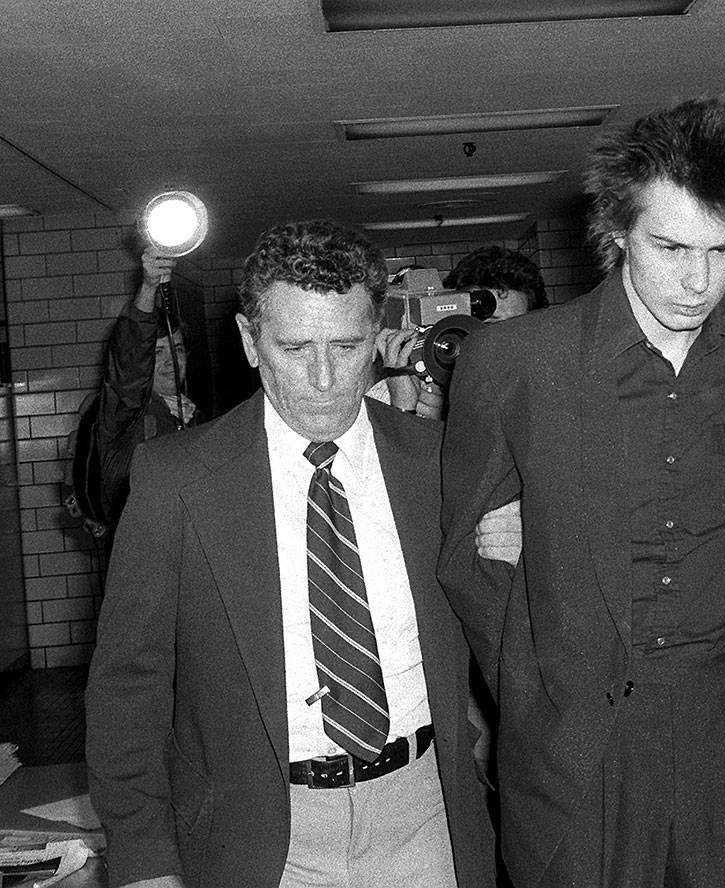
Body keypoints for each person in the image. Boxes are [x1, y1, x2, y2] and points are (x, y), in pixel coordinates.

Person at [438, 95, 725, 888]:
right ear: (617, 230)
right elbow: (468, 563)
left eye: (722, 252)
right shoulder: (516, 363)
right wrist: (542, 692)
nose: (698, 281)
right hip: (582, 741)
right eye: (669, 246)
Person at [85, 219, 496, 888]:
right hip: (260, 838)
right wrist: (143, 862)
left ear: (379, 333)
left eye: (348, 344)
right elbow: (127, 689)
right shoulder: (175, 482)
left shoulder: (440, 464)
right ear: (250, 341)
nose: (326, 377)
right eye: (296, 346)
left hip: (428, 820)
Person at [93, 247, 203, 527]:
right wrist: (149, 287)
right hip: (142, 544)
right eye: (156, 353)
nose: (170, 362)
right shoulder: (127, 410)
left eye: (176, 350)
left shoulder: (194, 417)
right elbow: (129, 360)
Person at [374, 246, 549, 419]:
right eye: (486, 326)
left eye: (514, 329)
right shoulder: (400, 385)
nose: (500, 341)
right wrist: (406, 412)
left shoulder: (544, 394)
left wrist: (453, 423)